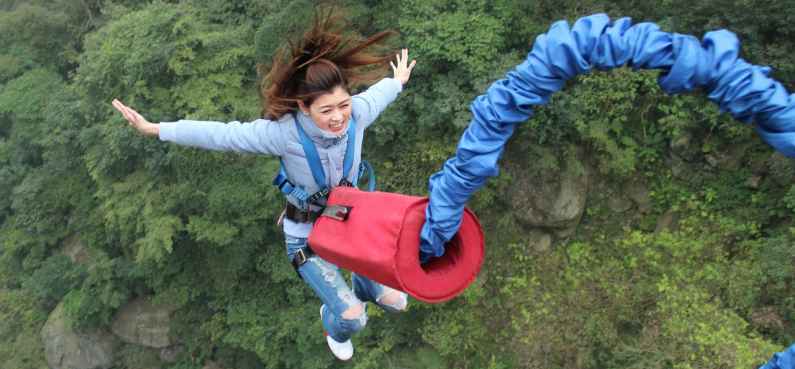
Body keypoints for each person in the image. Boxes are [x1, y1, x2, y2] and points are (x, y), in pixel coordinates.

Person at [111, 11, 416, 361]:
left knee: (398, 301)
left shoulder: (357, 114)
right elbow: (222, 134)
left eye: (344, 105)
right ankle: (332, 322)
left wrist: (397, 81)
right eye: (326, 109)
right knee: (353, 318)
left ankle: (365, 284)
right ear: (303, 107)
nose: (338, 118)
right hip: (307, 236)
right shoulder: (283, 135)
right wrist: (157, 129)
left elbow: (379, 94)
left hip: (350, 224)